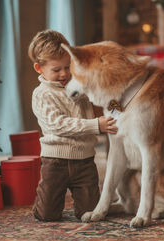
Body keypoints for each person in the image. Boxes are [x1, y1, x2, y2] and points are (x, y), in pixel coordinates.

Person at [28, 29, 118, 221]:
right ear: (39, 68)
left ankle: (88, 201)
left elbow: (100, 100)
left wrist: (115, 106)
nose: (64, 74)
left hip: (85, 161)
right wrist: (96, 125)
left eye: (68, 67)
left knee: (90, 213)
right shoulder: (42, 94)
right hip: (55, 162)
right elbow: (57, 125)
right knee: (47, 215)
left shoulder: (78, 86)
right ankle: (42, 205)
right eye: (56, 69)